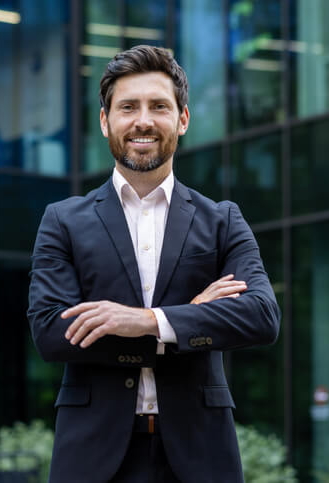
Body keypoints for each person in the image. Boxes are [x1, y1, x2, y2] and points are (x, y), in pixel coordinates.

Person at [27, 45, 281, 483]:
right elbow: (52, 332)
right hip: (93, 459)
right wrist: (191, 320)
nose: (143, 120)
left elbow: (261, 317)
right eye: (128, 107)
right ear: (106, 121)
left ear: (182, 119)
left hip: (201, 457)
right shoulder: (62, 220)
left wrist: (145, 320)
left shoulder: (222, 220)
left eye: (158, 106)